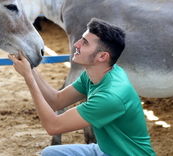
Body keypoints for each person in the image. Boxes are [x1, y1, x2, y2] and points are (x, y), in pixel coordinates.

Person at [8, 18, 155, 156]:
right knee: (50, 153)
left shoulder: (110, 97)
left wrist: (28, 78)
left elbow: (53, 126)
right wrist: (31, 70)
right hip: (104, 149)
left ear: (102, 57)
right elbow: (56, 100)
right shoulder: (97, 73)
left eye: (84, 43)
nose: (76, 44)